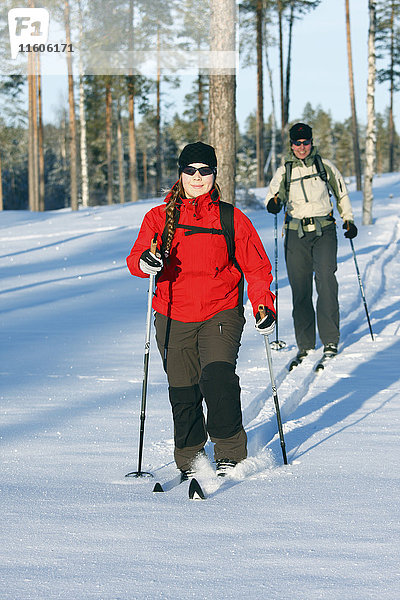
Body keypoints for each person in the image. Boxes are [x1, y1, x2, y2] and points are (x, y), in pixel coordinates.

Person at [127, 141, 275, 478]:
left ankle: (230, 451)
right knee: (183, 389)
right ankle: (191, 456)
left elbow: (256, 267)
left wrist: (263, 304)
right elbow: (135, 259)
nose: (197, 176)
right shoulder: (158, 218)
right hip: (171, 311)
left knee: (217, 377)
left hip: (220, 310)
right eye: (190, 170)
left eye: (205, 170)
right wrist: (145, 262)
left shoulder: (230, 217)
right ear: (180, 174)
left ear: (214, 174)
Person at [265, 123, 358, 365]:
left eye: (306, 142)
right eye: (297, 143)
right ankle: (305, 344)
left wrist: (348, 219)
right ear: (291, 145)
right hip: (296, 233)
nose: (302, 147)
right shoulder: (285, 170)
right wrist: (273, 203)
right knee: (300, 287)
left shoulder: (324, 166)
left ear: (311, 142)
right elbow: (273, 195)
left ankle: (330, 339)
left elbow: (341, 192)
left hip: (324, 229)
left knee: (326, 281)